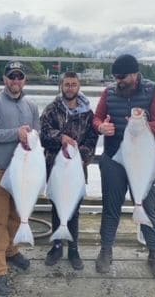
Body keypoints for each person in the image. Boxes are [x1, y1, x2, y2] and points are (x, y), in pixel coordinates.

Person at [93, 54, 155, 281]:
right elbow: (96, 118)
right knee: (110, 207)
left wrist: (140, 125)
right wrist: (101, 127)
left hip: (145, 160)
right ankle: (106, 250)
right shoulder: (109, 93)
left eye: (122, 76)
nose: (118, 80)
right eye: (115, 76)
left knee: (149, 207)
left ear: (135, 74)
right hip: (114, 159)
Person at [0, 60, 39, 296]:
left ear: (25, 80)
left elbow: (37, 132)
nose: (15, 80)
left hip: (24, 171)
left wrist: (31, 136)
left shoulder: (31, 105)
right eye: (11, 76)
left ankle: (11, 250)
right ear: (5, 79)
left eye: (19, 76)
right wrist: (16, 134)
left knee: (17, 216)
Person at [40, 71, 98, 270]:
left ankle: (73, 249)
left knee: (74, 210)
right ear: (61, 86)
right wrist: (62, 139)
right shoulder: (51, 109)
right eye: (66, 84)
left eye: (73, 84)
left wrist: (77, 154)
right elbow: (43, 135)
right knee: (57, 207)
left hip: (77, 169)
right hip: (55, 168)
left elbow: (92, 141)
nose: (70, 87)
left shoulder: (88, 114)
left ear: (79, 86)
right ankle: (56, 247)